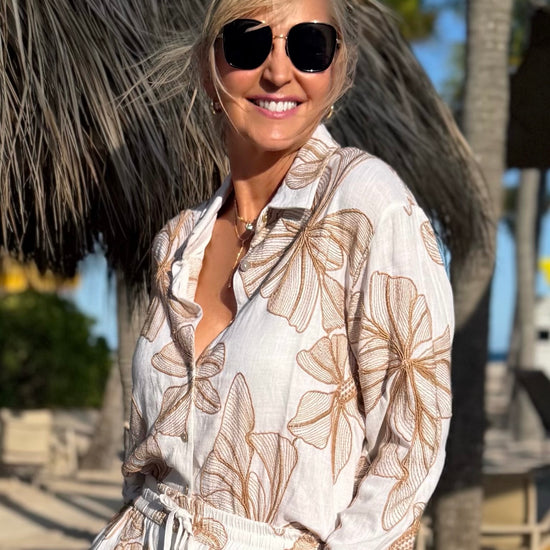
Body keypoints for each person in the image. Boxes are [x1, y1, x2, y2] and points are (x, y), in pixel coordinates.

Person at [91, 0, 454, 548]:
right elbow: (146, 458)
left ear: (337, 69)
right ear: (209, 68)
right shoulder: (179, 241)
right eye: (248, 42)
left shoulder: (367, 207)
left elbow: (412, 446)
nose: (279, 71)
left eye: (310, 46)